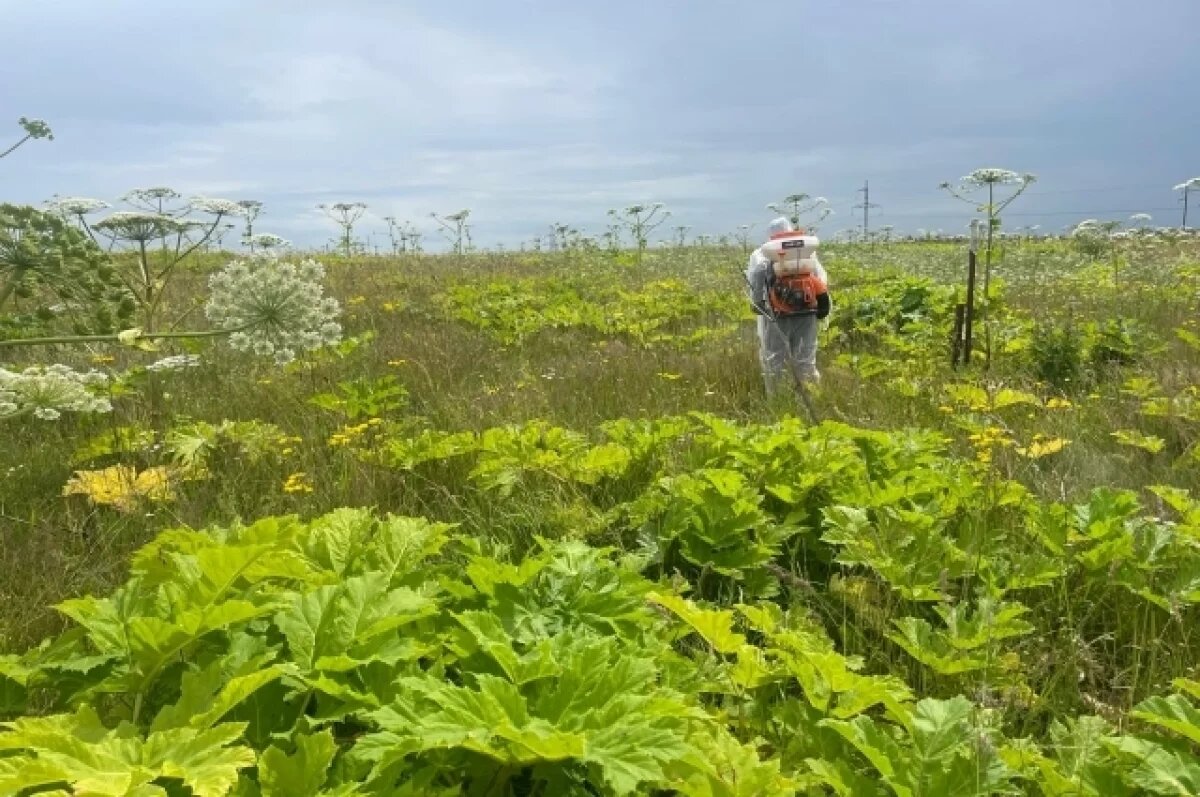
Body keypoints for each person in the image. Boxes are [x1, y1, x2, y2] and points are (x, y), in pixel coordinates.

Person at [744, 217, 830, 395]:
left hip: (777, 315)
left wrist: (758, 304)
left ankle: (777, 399)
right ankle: (811, 396)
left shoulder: (763, 254)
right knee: (806, 358)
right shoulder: (806, 252)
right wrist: (822, 308)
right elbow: (820, 280)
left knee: (775, 359)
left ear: (770, 236)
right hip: (808, 314)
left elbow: (757, 279)